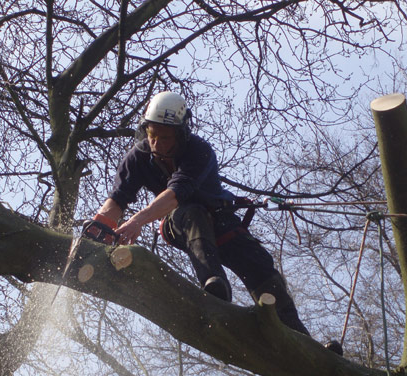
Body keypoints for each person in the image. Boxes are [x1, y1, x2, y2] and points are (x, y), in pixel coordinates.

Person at [85, 92, 316, 339]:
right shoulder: (137, 158)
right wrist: (98, 231)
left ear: (181, 135)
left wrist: (136, 221)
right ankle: (214, 285)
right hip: (180, 223)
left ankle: (300, 338)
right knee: (191, 214)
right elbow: (117, 200)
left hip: (219, 220)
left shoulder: (198, 151)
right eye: (152, 135)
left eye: (165, 137)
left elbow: (175, 194)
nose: (157, 143)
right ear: (145, 130)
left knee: (258, 262)